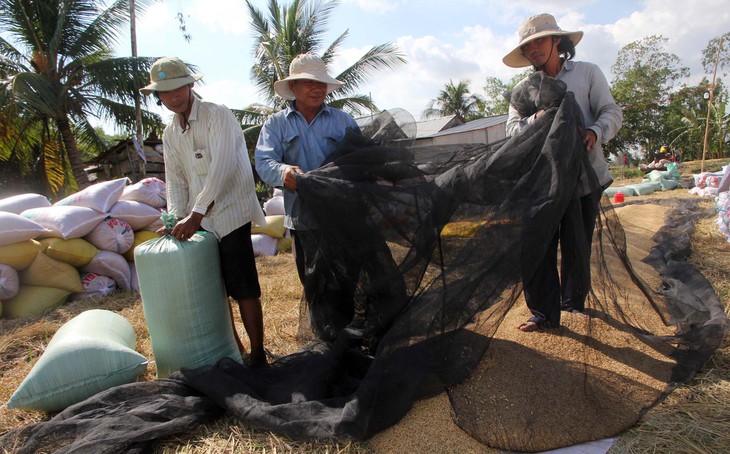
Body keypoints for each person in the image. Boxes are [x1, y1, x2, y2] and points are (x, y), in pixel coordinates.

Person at [140, 57, 268, 366]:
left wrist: (195, 214)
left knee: (243, 287)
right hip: (200, 219)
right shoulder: (170, 134)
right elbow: (177, 180)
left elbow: (222, 169)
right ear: (159, 97)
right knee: (215, 290)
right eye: (165, 93)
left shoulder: (216, 115)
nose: (173, 98)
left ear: (190, 85)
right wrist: (174, 218)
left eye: (177, 89)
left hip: (231, 212)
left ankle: (259, 354)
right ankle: (236, 352)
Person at [503, 13, 623, 332]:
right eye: (527, 47)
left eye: (539, 41)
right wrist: (537, 120)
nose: (534, 50)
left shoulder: (587, 73)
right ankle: (543, 312)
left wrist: (595, 132)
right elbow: (512, 129)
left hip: (585, 178)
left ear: (558, 41)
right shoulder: (524, 90)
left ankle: (572, 303)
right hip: (542, 182)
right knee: (537, 244)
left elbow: (611, 111)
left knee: (577, 244)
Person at [254, 53, 362, 340]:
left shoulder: (343, 121)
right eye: (309, 83)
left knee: (347, 279)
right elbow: (264, 162)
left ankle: (350, 341)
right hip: (305, 219)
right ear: (293, 88)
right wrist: (285, 172)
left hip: (343, 216)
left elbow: (362, 159)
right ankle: (325, 342)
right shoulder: (277, 125)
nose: (317, 89)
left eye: (322, 84)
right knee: (315, 283)